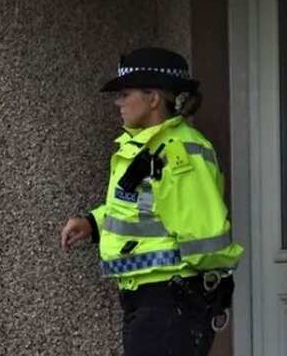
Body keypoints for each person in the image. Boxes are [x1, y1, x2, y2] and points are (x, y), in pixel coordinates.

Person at [60, 47, 244, 356]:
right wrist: (93, 223)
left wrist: (208, 287)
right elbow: (144, 211)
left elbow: (205, 237)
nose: (118, 103)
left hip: (170, 303)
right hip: (146, 302)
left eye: (125, 94)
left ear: (154, 98)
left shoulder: (177, 152)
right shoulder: (146, 147)